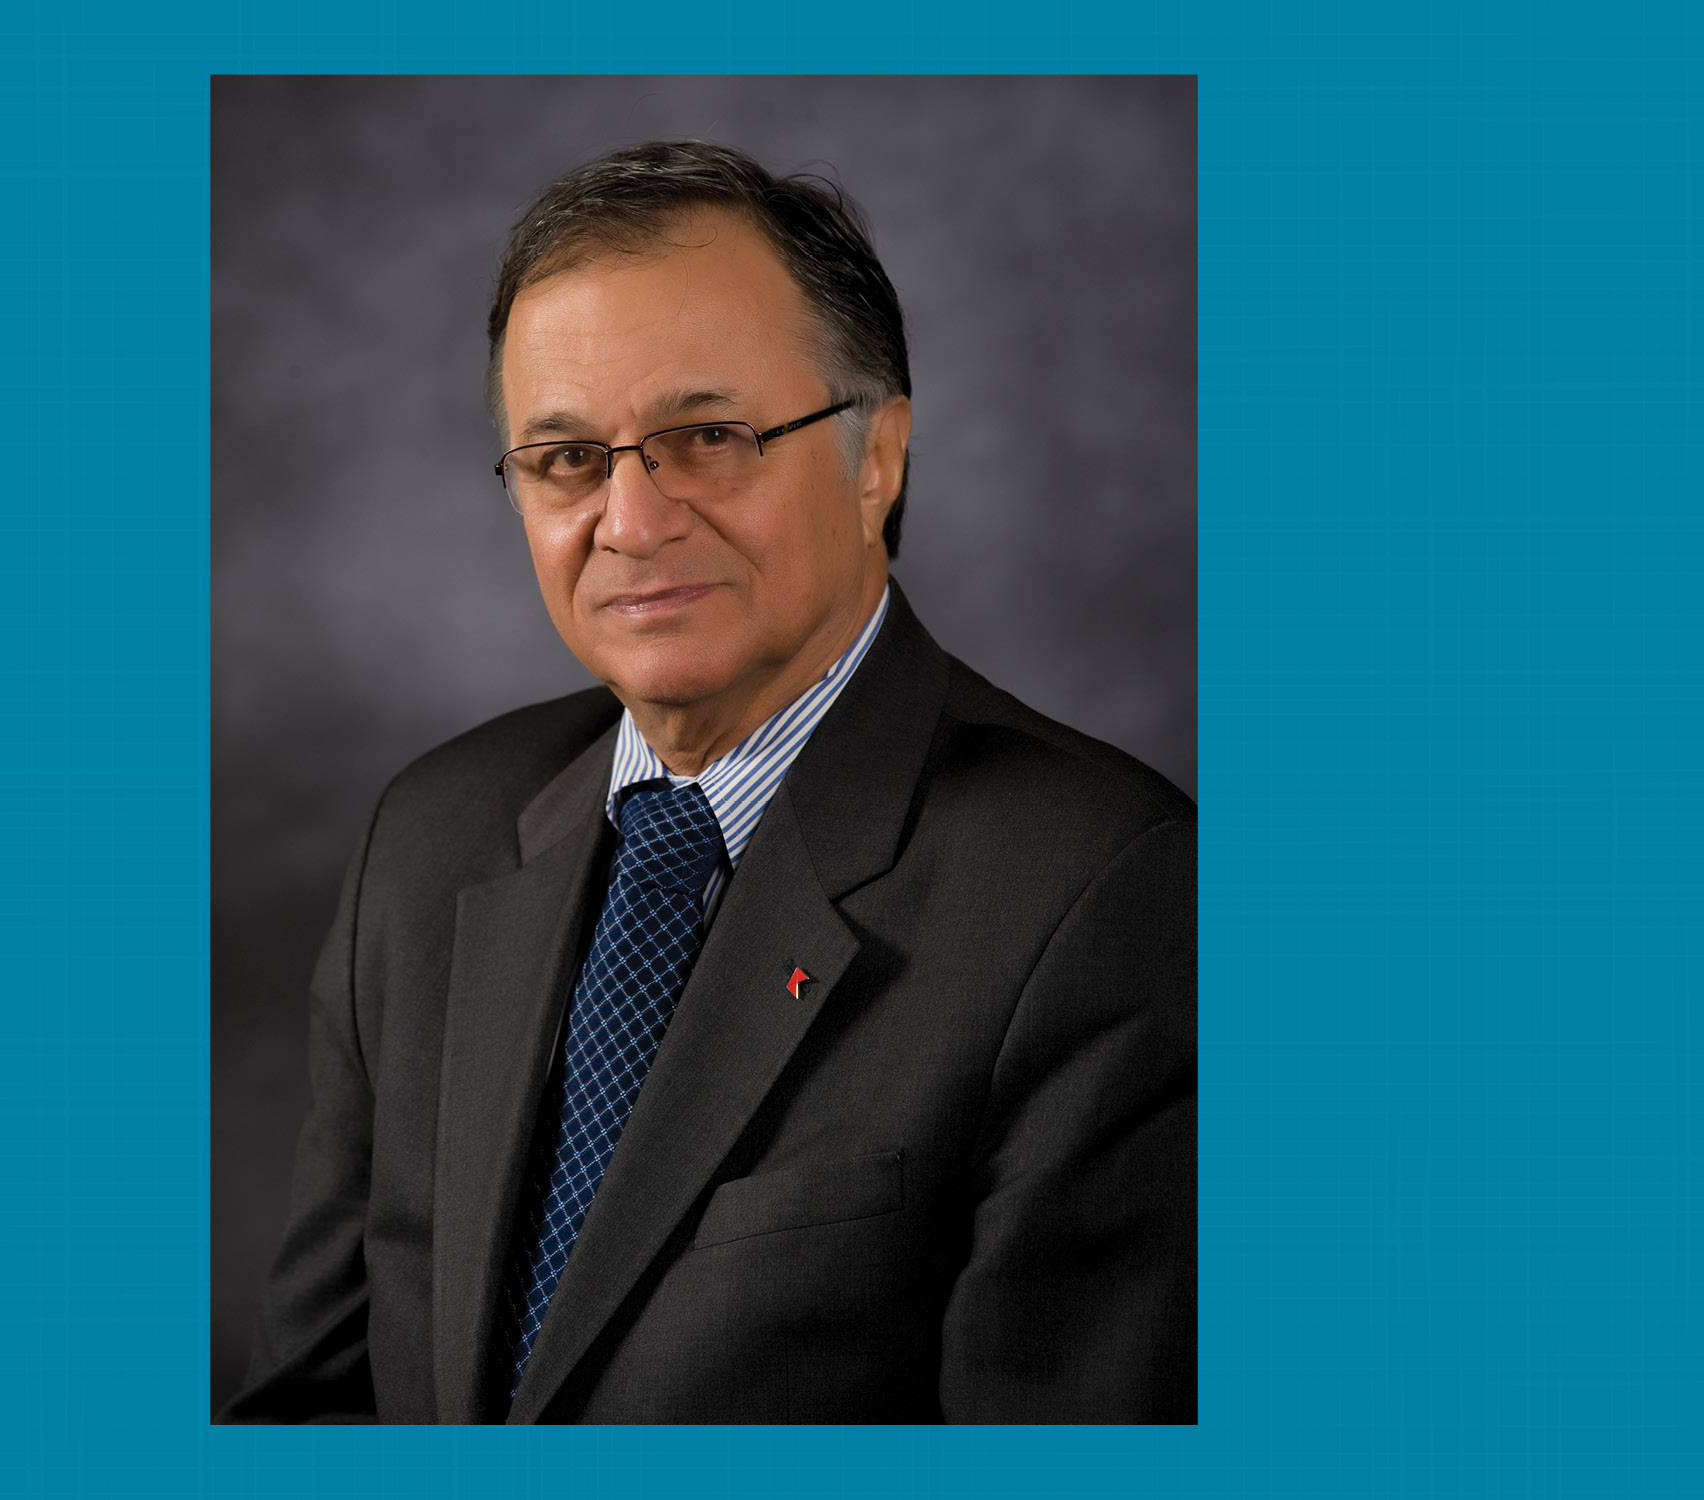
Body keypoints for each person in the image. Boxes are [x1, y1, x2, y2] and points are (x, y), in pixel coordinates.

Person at [222, 142, 1195, 1424]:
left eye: (705, 437)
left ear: (874, 459)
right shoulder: (432, 833)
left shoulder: (1101, 896)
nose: (631, 520)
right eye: (565, 456)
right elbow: (311, 1411)